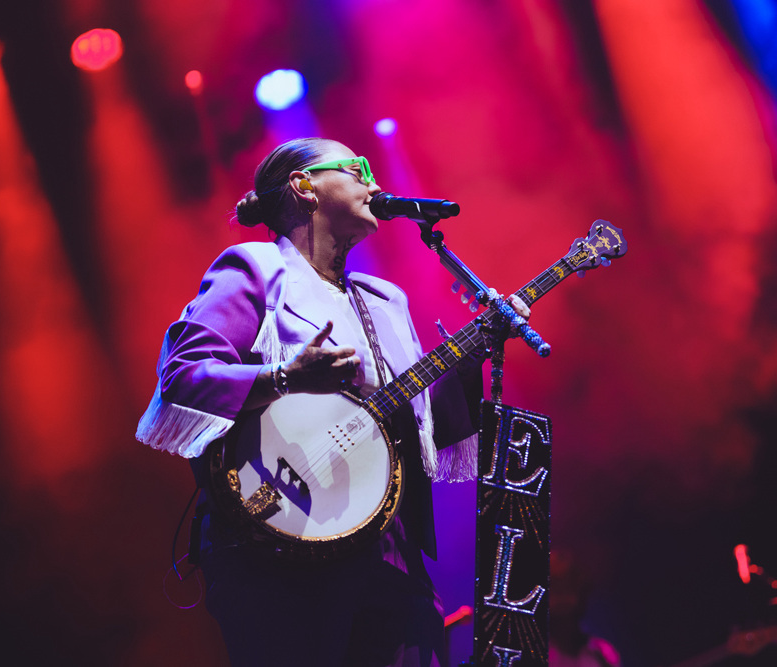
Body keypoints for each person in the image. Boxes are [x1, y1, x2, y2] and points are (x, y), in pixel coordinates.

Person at [136, 137, 530, 666]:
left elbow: (413, 421)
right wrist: (283, 377)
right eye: (357, 168)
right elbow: (183, 377)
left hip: (390, 549)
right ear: (304, 187)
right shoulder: (253, 271)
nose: (373, 181)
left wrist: (474, 353)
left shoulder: (385, 300)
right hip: (279, 545)